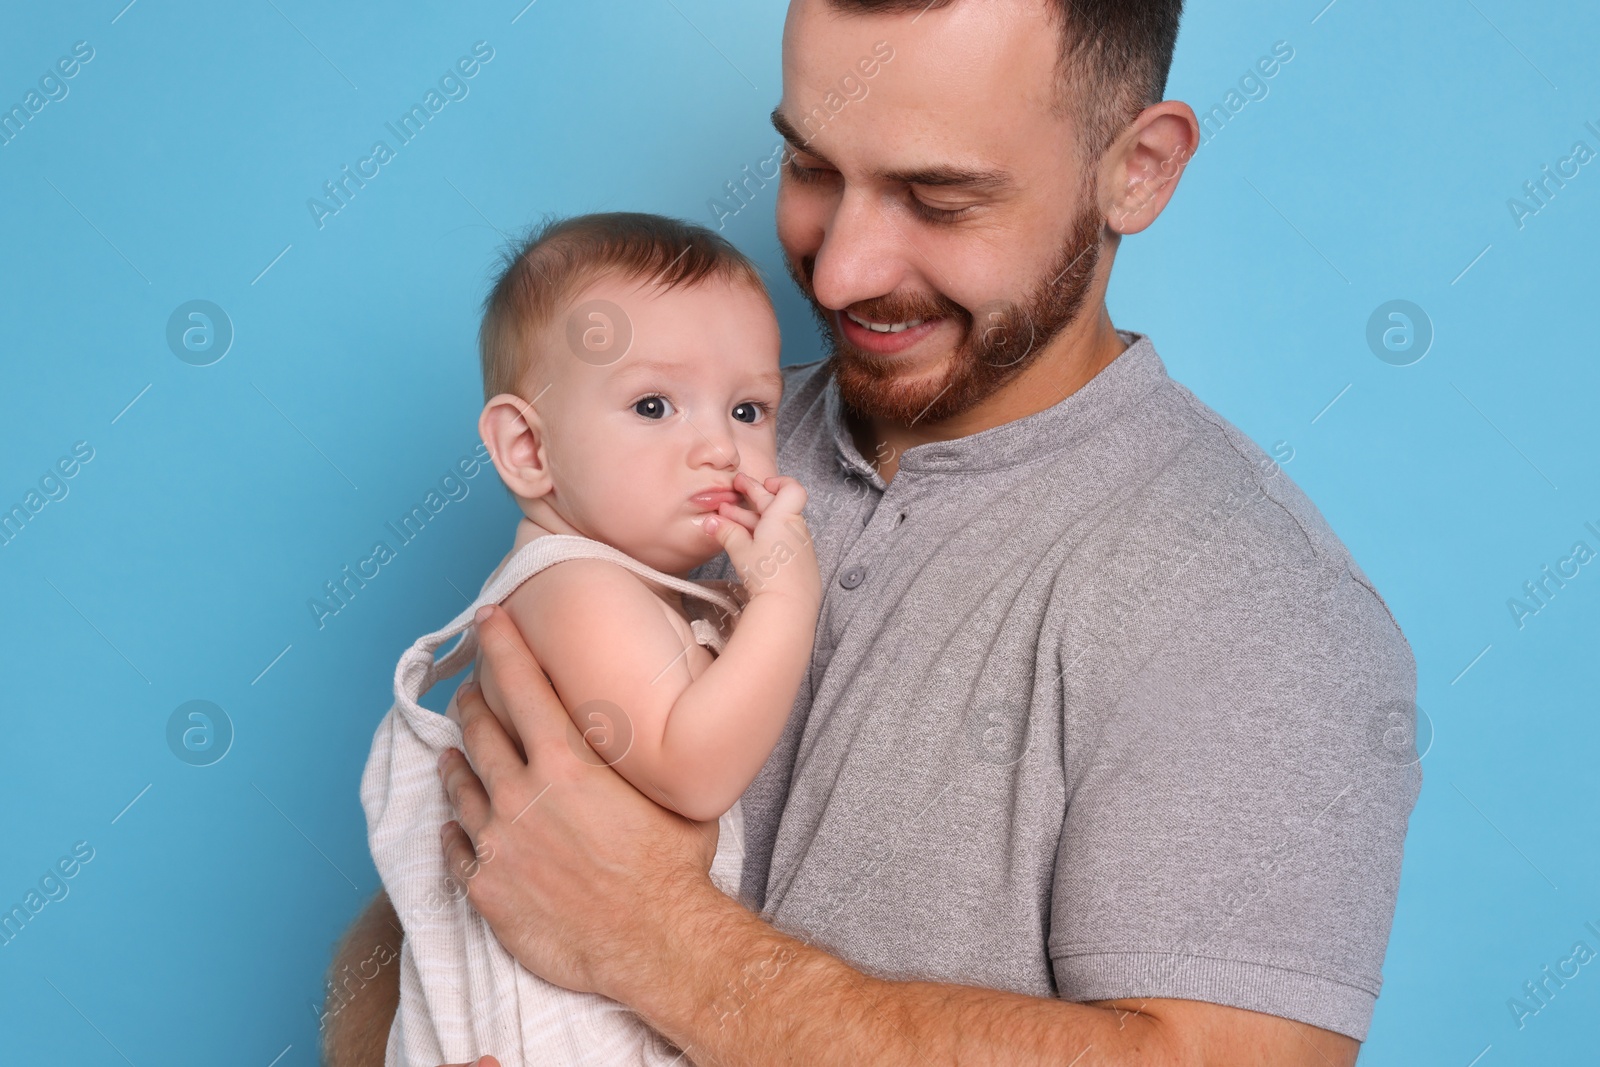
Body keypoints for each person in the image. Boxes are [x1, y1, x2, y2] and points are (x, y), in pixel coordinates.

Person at [324, 1, 1423, 1064]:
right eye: (810, 169)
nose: (839, 270)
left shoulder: (1257, 604)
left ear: (1135, 169)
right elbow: (439, 898)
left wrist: (656, 937)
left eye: (937, 198)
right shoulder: (654, 451)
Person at [353, 212, 820, 1064]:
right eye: (653, 405)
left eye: (749, 407)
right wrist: (788, 595)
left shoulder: (617, 584)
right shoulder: (575, 585)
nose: (719, 445)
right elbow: (695, 765)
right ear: (528, 448)